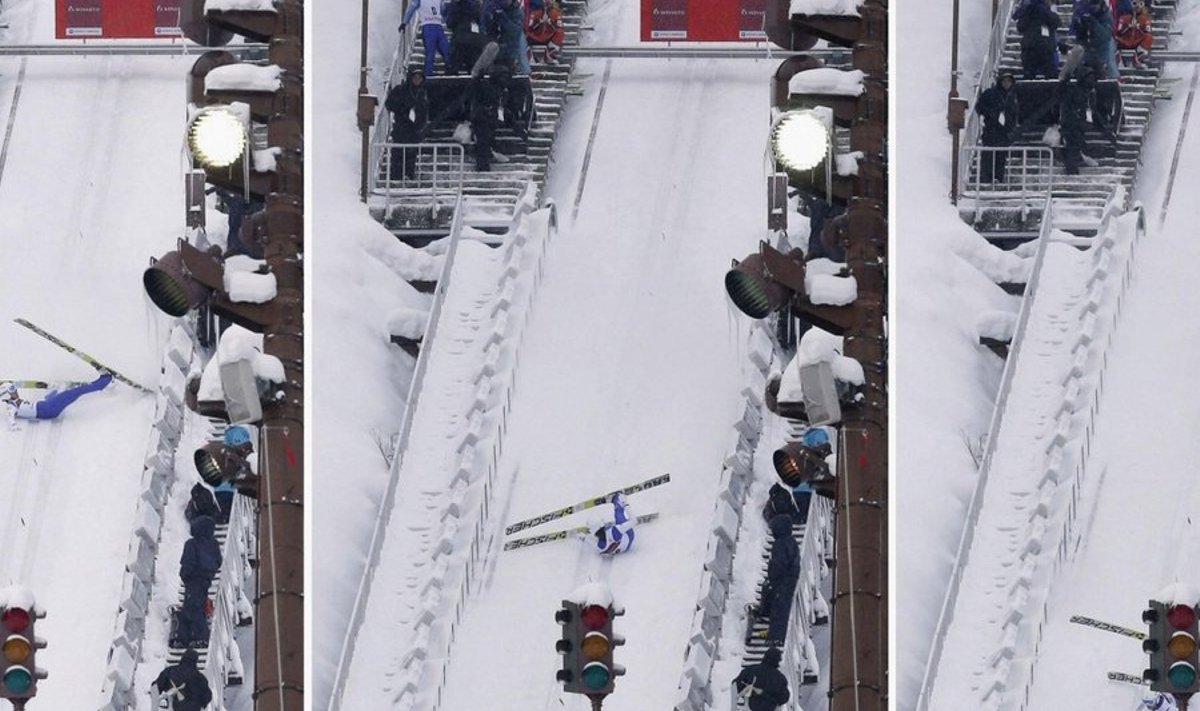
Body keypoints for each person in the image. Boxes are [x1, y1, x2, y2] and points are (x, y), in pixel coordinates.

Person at [173, 515, 222, 649]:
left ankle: (196, 637)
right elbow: (219, 561)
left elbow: (188, 562)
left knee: (192, 608)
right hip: (206, 579)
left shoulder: (192, 544)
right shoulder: (214, 544)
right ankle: (187, 637)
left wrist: (185, 576)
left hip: (193, 579)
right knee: (195, 607)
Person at [1, 373, 112, 429]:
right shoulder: (11, 407)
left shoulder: (14, 401)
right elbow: (11, 419)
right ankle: (105, 381)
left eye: (14, 389)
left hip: (47, 406)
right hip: (50, 409)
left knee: (55, 394)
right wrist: (14, 426)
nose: (15, 392)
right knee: (77, 391)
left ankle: (60, 389)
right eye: (12, 391)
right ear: (7, 395)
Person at [754, 515, 800, 646]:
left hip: (782, 581)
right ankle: (775, 635)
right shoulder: (791, 541)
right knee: (781, 608)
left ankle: (776, 638)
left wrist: (772, 579)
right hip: (789, 579)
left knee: (778, 609)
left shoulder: (780, 544)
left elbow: (778, 564)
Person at [384, 67, 430, 181]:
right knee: (398, 154)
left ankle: (409, 176)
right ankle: (395, 178)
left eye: (420, 78)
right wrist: (403, 110)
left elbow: (424, 111)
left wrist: (421, 124)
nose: (417, 80)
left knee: (411, 155)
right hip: (401, 127)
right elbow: (389, 104)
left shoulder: (422, 93)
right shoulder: (400, 89)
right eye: (415, 77)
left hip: (414, 129)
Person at [975, 71, 1020, 183]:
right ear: (1000, 82)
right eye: (1004, 81)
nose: (1006, 84)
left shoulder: (1011, 97)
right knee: (988, 156)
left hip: (1004, 133)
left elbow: (1014, 114)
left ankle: (998, 178)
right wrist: (991, 114)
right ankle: (986, 179)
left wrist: (1011, 127)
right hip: (991, 130)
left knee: (1001, 157)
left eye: (1009, 81)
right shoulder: (990, 93)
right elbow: (979, 107)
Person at [1057, 61, 1099, 175]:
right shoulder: (1077, 91)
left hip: (1078, 123)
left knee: (1074, 145)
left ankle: (1073, 165)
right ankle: (1071, 168)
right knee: (1072, 146)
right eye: (1089, 78)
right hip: (1073, 123)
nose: (1092, 80)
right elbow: (1072, 105)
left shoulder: (1088, 92)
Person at [466, 66, 505, 171]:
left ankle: (483, 162)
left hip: (485, 118)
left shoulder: (491, 87)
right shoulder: (494, 88)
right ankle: (483, 164)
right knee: (483, 142)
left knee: (483, 142)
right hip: (484, 118)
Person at [400, 0, 451, 77]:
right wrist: (404, 23)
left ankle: (450, 71)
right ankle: (428, 75)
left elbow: (442, 10)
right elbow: (412, 7)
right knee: (430, 53)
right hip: (428, 26)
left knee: (446, 51)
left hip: (438, 26)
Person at [1071, 0, 1119, 79]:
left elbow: (1105, 35)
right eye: (1092, 4)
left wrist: (1093, 23)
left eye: (1096, 4)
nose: (1093, 7)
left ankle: (1112, 79)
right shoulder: (1084, 13)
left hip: (1104, 48)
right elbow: (1078, 33)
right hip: (1088, 47)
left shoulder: (1106, 15)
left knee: (1109, 68)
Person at [732, 646, 790, 711]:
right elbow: (784, 698)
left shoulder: (749, 671)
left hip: (751, 707)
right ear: (778, 661)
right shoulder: (780, 678)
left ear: (764, 657)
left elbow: (735, 684)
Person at [1013, 0, 1061, 78]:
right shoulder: (1044, 10)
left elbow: (1020, 27)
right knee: (1050, 73)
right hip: (1044, 46)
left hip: (1029, 46)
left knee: (1029, 73)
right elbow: (1056, 23)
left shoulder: (1028, 10)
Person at [483, 0, 529, 74]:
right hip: (493, 47)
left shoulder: (516, 12)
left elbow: (514, 31)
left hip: (509, 50)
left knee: (520, 40)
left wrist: (503, 17)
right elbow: (485, 27)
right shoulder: (491, 6)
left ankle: (523, 69)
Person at [444, 0, 486, 74]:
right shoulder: (475, 6)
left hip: (459, 39)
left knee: (453, 67)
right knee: (473, 68)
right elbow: (481, 21)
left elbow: (449, 23)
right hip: (474, 40)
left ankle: (452, 81)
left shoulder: (455, 7)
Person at [1115, 0, 1154, 68]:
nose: (1137, 6)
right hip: (1125, 40)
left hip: (1137, 41)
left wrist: (1138, 28)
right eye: (1135, 3)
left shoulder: (1145, 19)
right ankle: (1118, 57)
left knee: (1149, 37)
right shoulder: (1124, 17)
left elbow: (1148, 31)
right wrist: (1128, 27)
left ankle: (1140, 55)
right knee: (1114, 38)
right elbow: (1119, 31)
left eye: (1140, 4)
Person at [525, 0, 564, 65]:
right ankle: (529, 56)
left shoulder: (555, 13)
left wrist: (551, 24)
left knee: (560, 34)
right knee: (524, 35)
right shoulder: (535, 13)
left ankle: (550, 55)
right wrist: (538, 23)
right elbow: (529, 27)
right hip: (535, 36)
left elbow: (559, 27)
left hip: (548, 37)